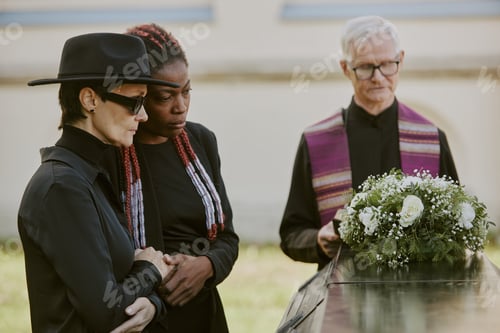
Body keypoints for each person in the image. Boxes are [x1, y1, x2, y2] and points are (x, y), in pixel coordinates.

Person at [17, 32, 180, 332]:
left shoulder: (87, 174)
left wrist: (153, 305)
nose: (143, 115)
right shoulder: (62, 187)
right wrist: (150, 270)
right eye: (134, 102)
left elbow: (115, 289)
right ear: (90, 99)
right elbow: (107, 312)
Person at [279, 16, 459, 270]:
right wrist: (317, 240)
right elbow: (291, 234)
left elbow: (456, 228)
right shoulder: (316, 142)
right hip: (342, 294)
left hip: (418, 292)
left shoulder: (431, 138)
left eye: (387, 64)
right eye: (365, 67)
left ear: (402, 60)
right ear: (345, 68)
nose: (378, 77)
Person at [121, 23, 239, 333]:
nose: (181, 106)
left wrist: (207, 266)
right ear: (139, 95)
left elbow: (227, 237)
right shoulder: (115, 154)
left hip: (204, 315)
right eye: (165, 97)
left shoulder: (201, 142)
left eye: (186, 91)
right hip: (142, 316)